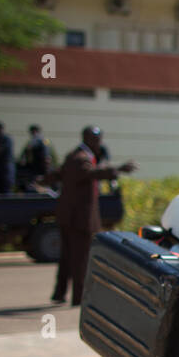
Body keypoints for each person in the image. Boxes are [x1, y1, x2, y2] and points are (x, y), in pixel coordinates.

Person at [46, 126, 135, 306]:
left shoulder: (73, 155)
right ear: (91, 140)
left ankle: (59, 293)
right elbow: (92, 173)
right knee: (81, 259)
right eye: (98, 139)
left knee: (67, 257)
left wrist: (43, 179)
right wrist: (118, 169)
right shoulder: (82, 159)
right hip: (79, 219)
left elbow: (60, 174)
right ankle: (79, 297)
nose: (100, 143)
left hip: (68, 217)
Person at [18, 124, 55, 191]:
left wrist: (46, 163)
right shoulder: (33, 141)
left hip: (41, 166)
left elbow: (46, 153)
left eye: (33, 131)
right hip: (35, 166)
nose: (32, 133)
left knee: (41, 181)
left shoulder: (42, 140)